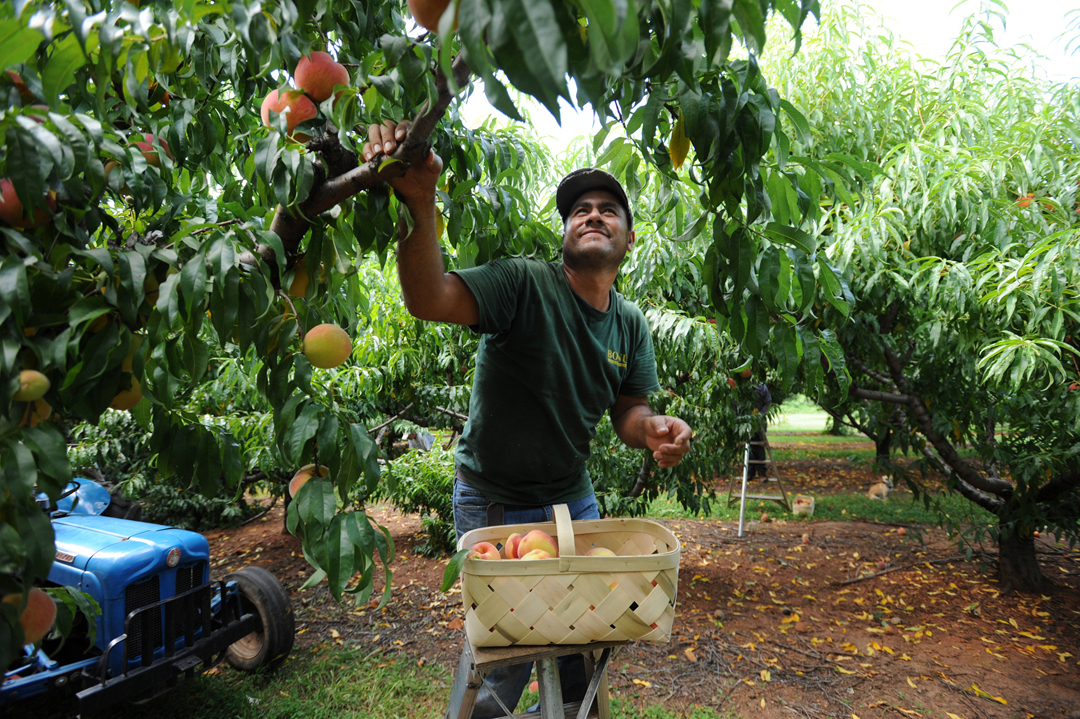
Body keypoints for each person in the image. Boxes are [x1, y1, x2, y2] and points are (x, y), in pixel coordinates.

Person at [363, 121, 692, 718]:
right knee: (509, 658)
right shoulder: (524, 283)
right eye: (580, 210)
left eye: (608, 210)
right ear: (565, 232)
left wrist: (653, 431)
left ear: (630, 239)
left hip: (573, 502)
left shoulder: (630, 324)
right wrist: (420, 201)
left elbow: (629, 411)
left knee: (582, 648)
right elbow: (429, 298)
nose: (593, 215)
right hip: (495, 500)